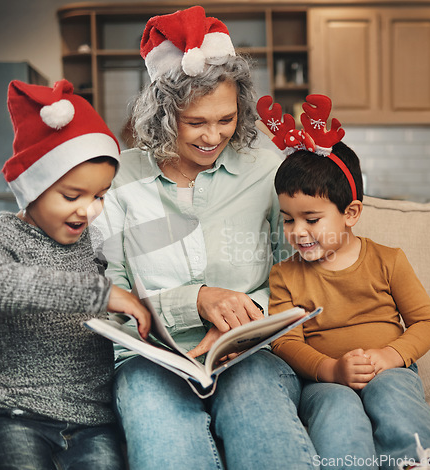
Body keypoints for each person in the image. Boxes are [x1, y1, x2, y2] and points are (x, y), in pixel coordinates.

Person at [93, 6, 318, 470]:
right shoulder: (118, 178)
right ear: (161, 114)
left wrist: (245, 316)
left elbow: (297, 272)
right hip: (150, 358)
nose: (214, 136)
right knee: (160, 426)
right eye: (195, 123)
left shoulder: (268, 172)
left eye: (226, 118)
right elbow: (106, 292)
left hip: (250, 354)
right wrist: (194, 300)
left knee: (257, 411)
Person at [0, 79, 151, 470]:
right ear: (33, 187)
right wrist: (99, 293)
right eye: (72, 196)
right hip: (16, 413)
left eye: (99, 196)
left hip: (94, 425)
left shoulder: (94, 242)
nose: (88, 211)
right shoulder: (2, 236)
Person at [262, 93, 430, 470]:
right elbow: (285, 341)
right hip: (325, 378)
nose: (297, 232)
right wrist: (331, 370)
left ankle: (420, 464)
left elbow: (427, 323)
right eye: (288, 219)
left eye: (311, 219)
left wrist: (389, 357)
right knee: (336, 409)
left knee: (394, 393)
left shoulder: (387, 260)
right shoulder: (285, 274)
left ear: (351, 213)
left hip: (389, 368)